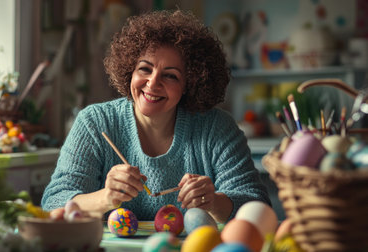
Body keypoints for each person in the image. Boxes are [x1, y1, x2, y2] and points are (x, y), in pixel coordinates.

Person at [41, 9, 270, 222]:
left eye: (170, 76)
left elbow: (259, 208)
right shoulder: (95, 123)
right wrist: (105, 198)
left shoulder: (217, 128)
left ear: (190, 85)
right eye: (145, 69)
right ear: (130, 70)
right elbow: (52, 204)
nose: (152, 83)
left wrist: (215, 202)